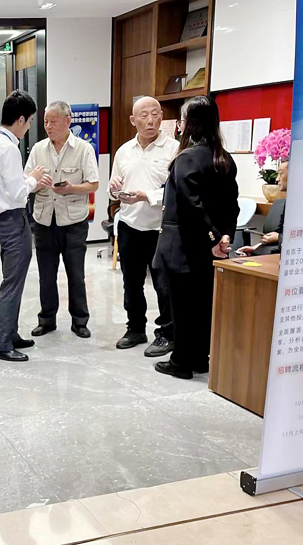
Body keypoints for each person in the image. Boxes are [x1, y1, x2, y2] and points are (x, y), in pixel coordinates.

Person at [153, 96, 240, 379]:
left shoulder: (186, 158)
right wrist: (223, 237)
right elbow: (231, 206)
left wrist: (213, 238)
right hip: (210, 247)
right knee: (203, 305)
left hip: (183, 246)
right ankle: (201, 358)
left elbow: (191, 206)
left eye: (181, 120)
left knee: (181, 306)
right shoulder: (224, 158)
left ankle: (181, 361)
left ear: (189, 123)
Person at [0, 90, 49, 362]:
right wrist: (33, 179)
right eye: (29, 121)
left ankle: (10, 333)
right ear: (20, 119)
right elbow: (18, 194)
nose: (29, 127)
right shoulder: (8, 148)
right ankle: (1, 342)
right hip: (13, 219)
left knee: (12, 280)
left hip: (2, 220)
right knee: (12, 284)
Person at [109, 96, 180, 357]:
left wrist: (146, 196)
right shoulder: (124, 151)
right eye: (144, 115)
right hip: (130, 224)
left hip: (161, 228)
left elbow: (176, 191)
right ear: (133, 120)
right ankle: (135, 328)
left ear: (161, 117)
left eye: (155, 114)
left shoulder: (174, 149)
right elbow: (113, 188)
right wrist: (114, 189)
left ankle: (167, 334)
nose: (150, 120)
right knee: (131, 283)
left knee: (163, 285)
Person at [24, 101, 100, 339]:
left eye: (53, 121)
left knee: (76, 275)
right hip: (44, 221)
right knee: (46, 275)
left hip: (74, 223)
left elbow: (93, 184)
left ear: (68, 121)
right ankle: (47, 320)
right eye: (45, 121)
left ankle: (80, 321)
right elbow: (25, 181)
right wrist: (36, 183)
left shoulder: (83, 149)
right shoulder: (38, 149)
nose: (48, 126)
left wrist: (71, 188)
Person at [238, 158, 287, 256]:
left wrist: (279, 238)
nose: (277, 179)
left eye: (281, 174)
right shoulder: (281, 203)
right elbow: (274, 235)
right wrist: (254, 248)